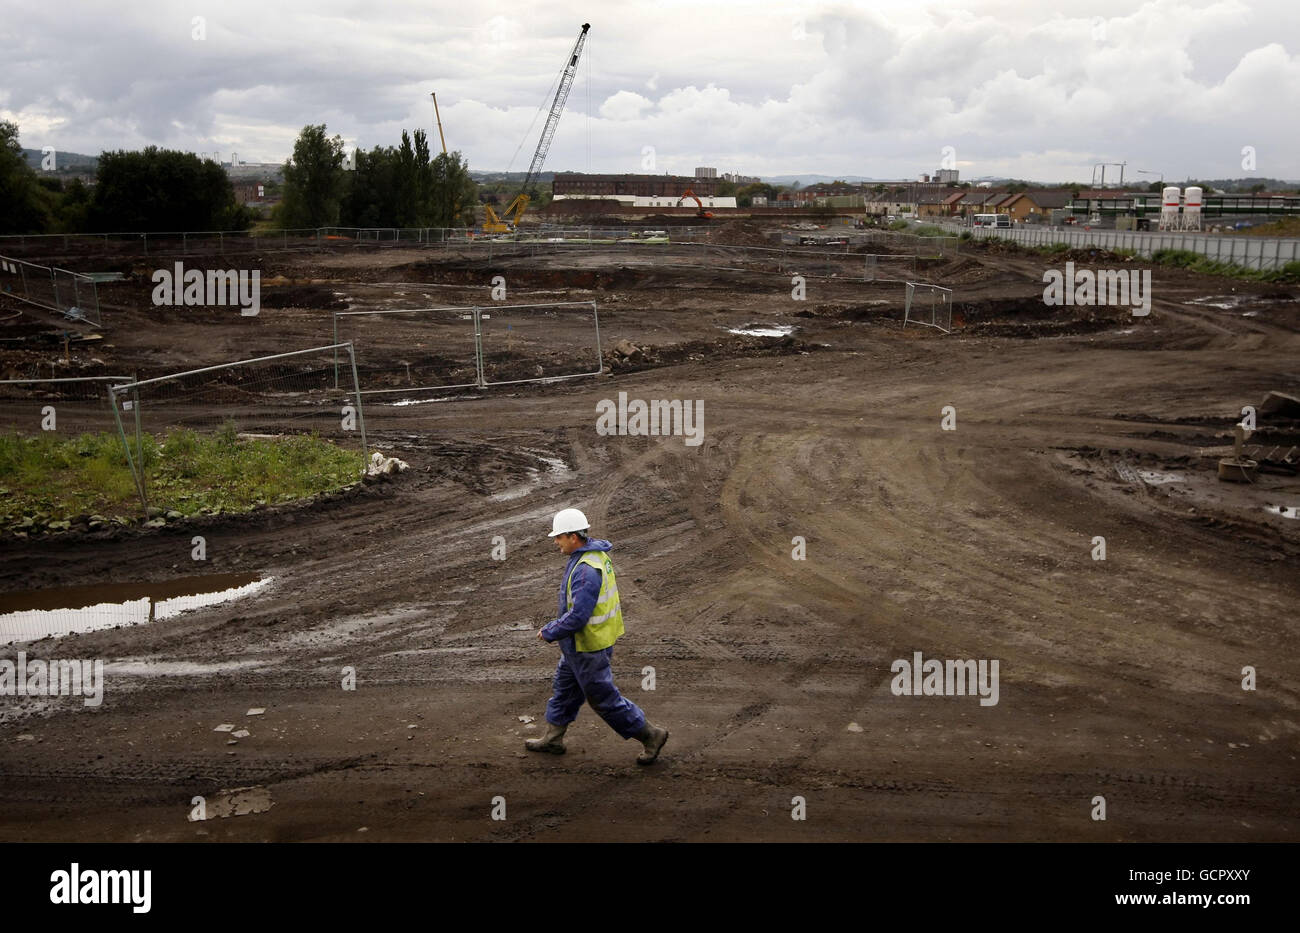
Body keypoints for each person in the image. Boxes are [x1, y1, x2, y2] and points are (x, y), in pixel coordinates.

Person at [526, 507, 669, 765]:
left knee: (604, 700)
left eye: (558, 537)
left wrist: (550, 631)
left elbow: (578, 616)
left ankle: (650, 735)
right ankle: (553, 738)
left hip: (588, 646)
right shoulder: (593, 556)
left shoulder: (585, 570)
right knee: (565, 690)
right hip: (579, 645)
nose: (556, 542)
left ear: (573, 537)